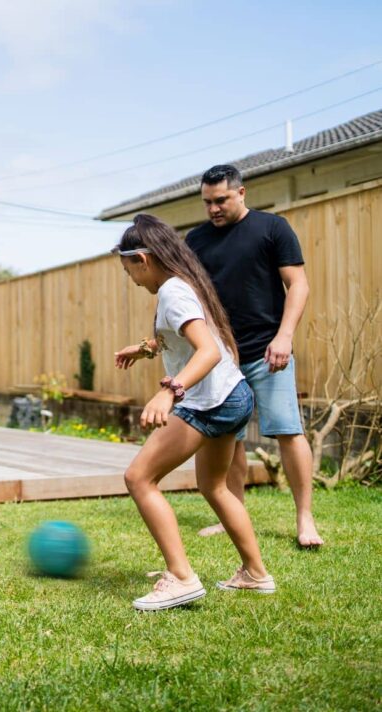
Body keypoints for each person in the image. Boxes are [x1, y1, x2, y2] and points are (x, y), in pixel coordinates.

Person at [113, 214, 274, 611]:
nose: (130, 278)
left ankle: (181, 578)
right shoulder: (183, 284)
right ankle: (255, 573)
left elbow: (208, 350)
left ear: (143, 259)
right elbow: (185, 336)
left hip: (209, 401)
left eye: (127, 268)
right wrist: (147, 348)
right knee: (214, 486)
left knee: (139, 478)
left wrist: (170, 392)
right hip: (233, 394)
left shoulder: (173, 292)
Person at [186, 165, 322, 548]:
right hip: (222, 356)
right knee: (226, 439)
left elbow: (298, 284)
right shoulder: (196, 240)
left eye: (221, 200)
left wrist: (284, 336)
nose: (213, 208)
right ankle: (234, 513)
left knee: (287, 430)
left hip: (268, 350)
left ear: (242, 193)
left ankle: (304, 518)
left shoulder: (272, 228)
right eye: (207, 202)